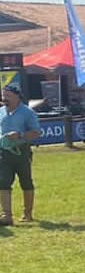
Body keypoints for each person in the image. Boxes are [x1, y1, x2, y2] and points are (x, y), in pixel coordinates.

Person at [0, 81, 41, 225]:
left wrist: (20, 135)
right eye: (3, 95)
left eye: (8, 96)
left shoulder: (27, 112)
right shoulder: (1, 112)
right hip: (3, 153)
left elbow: (37, 132)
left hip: (22, 152)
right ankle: (6, 216)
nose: (4, 98)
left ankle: (27, 214)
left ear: (17, 97)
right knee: (3, 182)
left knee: (26, 182)